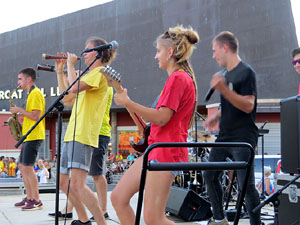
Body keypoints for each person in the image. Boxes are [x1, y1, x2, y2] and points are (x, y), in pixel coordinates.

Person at [110, 25, 199, 225]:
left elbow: (162, 118)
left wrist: (128, 103)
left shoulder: (178, 78)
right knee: (118, 198)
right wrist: (127, 103)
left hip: (167, 153)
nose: (155, 56)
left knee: (153, 218)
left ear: (170, 52)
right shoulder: (176, 79)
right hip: (156, 150)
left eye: (158, 51)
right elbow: (153, 126)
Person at [203, 31, 261, 225]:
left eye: (214, 50)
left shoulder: (246, 72)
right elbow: (229, 104)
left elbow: (248, 105)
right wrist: (216, 117)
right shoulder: (225, 74)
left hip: (243, 137)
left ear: (225, 48)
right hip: (225, 136)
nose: (213, 55)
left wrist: (224, 90)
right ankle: (219, 220)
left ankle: (255, 223)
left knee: (245, 185)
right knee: (209, 175)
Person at [58, 36, 116, 225]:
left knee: (78, 185)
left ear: (98, 53)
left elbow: (73, 88)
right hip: (72, 133)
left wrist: (70, 65)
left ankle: (101, 222)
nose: (83, 53)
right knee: (63, 182)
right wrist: (61, 72)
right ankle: (83, 220)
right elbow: (66, 99)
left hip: (84, 134)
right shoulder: (87, 75)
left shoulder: (100, 73)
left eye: (88, 49)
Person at [11, 67, 45, 210]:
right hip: (28, 135)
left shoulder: (36, 93)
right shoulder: (30, 94)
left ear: (28, 79)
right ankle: (29, 196)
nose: (18, 82)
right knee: (22, 167)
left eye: (20, 79)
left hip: (34, 135)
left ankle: (36, 199)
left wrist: (19, 110)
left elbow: (36, 116)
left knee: (28, 167)